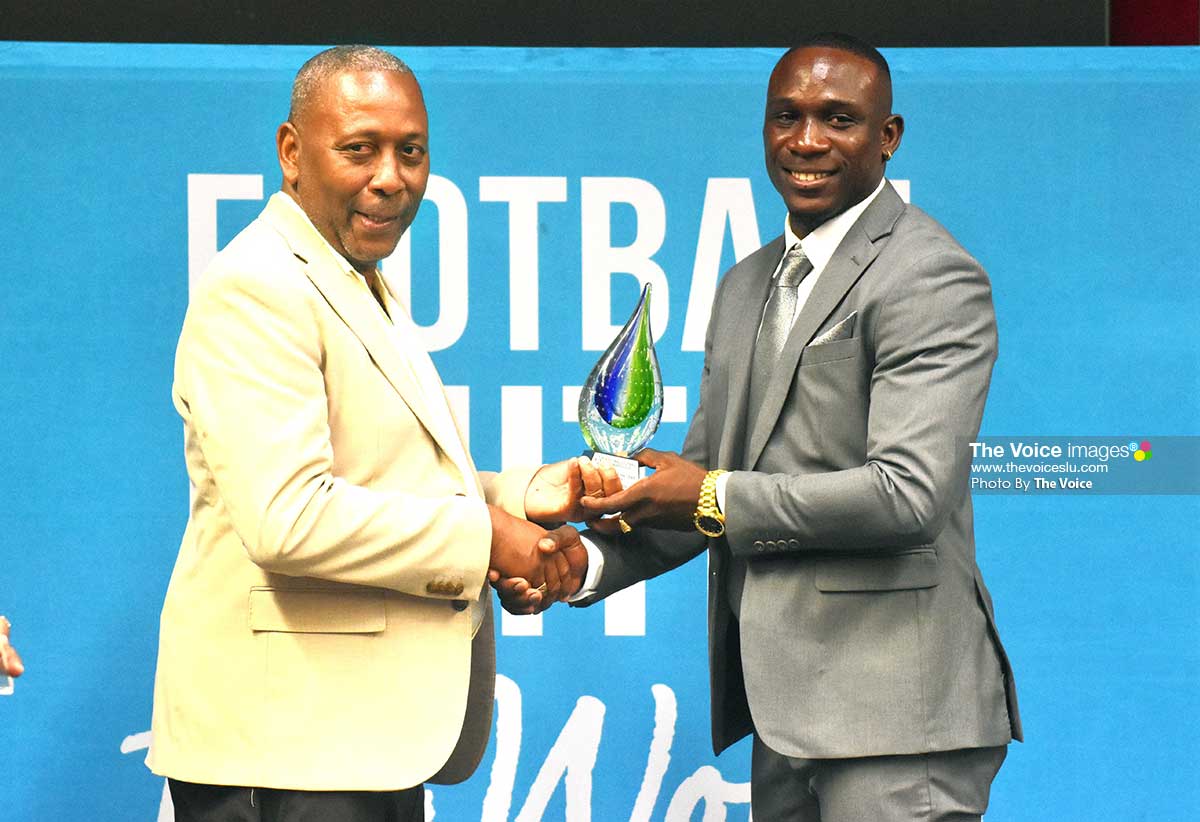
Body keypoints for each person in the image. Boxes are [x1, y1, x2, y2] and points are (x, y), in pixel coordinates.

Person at [499, 33, 1021, 821]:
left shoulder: (930, 275)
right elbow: (699, 489)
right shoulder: (746, 283)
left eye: (838, 118)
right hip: (782, 722)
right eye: (787, 116)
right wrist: (584, 564)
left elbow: (907, 495)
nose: (806, 141)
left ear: (888, 136)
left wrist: (709, 494)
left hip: (897, 722)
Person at [149, 45, 595, 821]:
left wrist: (523, 495)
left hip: (353, 742)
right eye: (360, 149)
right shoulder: (258, 285)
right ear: (292, 152)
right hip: (285, 751)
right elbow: (288, 518)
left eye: (411, 152)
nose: (391, 177)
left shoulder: (350, 277)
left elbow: (382, 477)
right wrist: (488, 536)